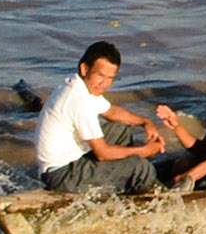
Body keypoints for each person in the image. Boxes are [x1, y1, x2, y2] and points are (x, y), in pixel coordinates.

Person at [32, 40, 192, 196]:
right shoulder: (79, 100)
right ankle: (162, 195)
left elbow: (112, 112)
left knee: (120, 130)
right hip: (61, 175)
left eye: (110, 78)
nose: (104, 84)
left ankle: (129, 178)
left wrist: (146, 122)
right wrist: (144, 151)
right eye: (100, 75)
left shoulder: (81, 85)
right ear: (84, 68)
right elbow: (102, 153)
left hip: (73, 160)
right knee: (139, 166)